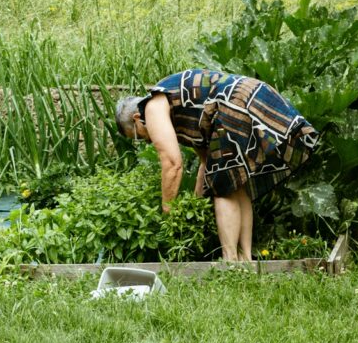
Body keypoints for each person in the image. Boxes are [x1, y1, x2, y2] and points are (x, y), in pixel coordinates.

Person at [115, 69, 319, 262]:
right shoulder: (175, 109)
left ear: (136, 119)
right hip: (249, 96)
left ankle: (230, 261)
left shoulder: (152, 107)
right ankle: (244, 259)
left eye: (137, 137)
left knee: (223, 186)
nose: (145, 141)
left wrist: (168, 210)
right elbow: (206, 162)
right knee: (237, 185)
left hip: (234, 105)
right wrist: (196, 202)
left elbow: (172, 164)